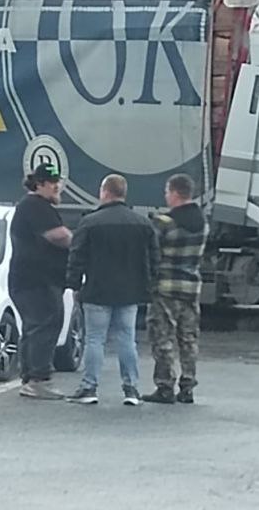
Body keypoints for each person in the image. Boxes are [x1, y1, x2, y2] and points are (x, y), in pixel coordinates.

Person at [64, 173, 159, 406]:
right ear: (123, 193)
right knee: (127, 339)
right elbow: (154, 259)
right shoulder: (143, 223)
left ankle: (89, 387)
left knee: (95, 339)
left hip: (97, 289)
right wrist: (150, 285)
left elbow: (77, 256)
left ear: (104, 192)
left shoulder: (90, 222)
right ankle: (131, 389)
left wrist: (73, 284)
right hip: (130, 291)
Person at [9, 162, 72, 400]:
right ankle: (39, 379)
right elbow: (58, 236)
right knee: (45, 326)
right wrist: (80, 241)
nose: (57, 187)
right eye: (52, 183)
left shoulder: (33, 206)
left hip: (31, 281)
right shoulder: (35, 205)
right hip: (37, 282)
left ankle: (29, 378)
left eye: (58, 182)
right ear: (39, 184)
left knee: (34, 327)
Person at [145, 173, 208, 405]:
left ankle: (165, 386)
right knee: (188, 339)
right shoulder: (202, 223)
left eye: (167, 192)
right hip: (191, 287)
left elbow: (152, 252)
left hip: (166, 288)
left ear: (174, 193)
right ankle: (188, 386)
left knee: (163, 338)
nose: (166, 197)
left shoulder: (164, 222)